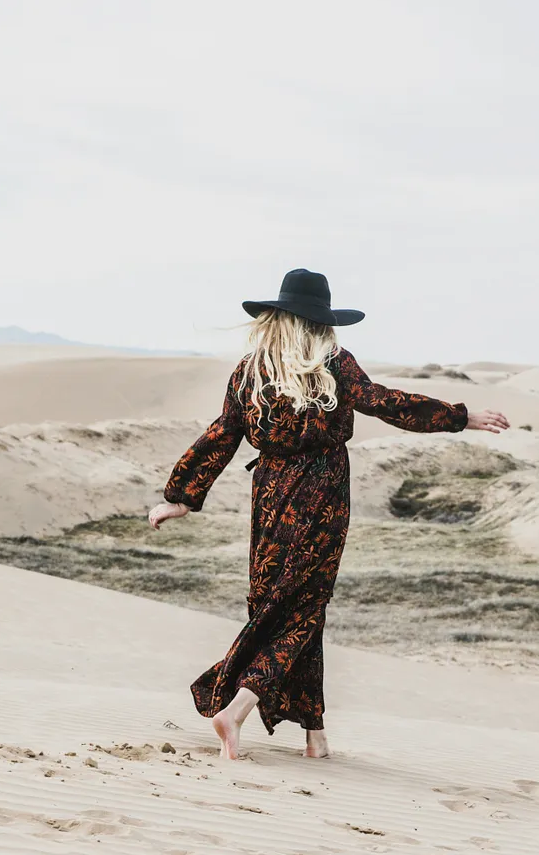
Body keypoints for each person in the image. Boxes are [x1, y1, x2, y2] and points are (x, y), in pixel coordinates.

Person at [148, 269, 509, 759]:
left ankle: (315, 736)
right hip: (321, 493)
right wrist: (459, 417)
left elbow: (222, 434)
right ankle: (235, 708)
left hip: (271, 494)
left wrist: (182, 496)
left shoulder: (250, 371)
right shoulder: (334, 363)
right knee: (303, 607)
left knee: (278, 603)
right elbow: (384, 402)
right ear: (321, 323)